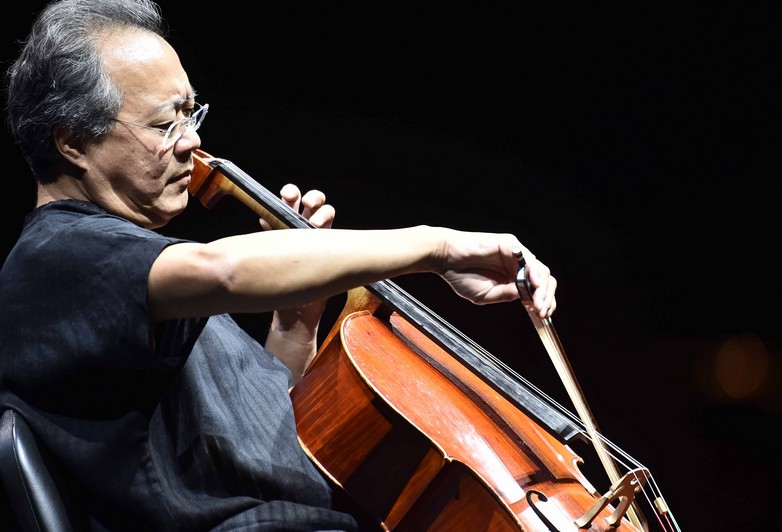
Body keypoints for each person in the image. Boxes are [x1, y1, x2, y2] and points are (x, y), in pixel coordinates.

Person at [0, 0, 556, 530]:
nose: (192, 143)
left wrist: (296, 322)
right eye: (164, 125)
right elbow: (224, 269)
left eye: (191, 113)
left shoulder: (131, 272)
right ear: (73, 142)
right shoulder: (56, 256)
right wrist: (436, 246)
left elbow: (263, 445)